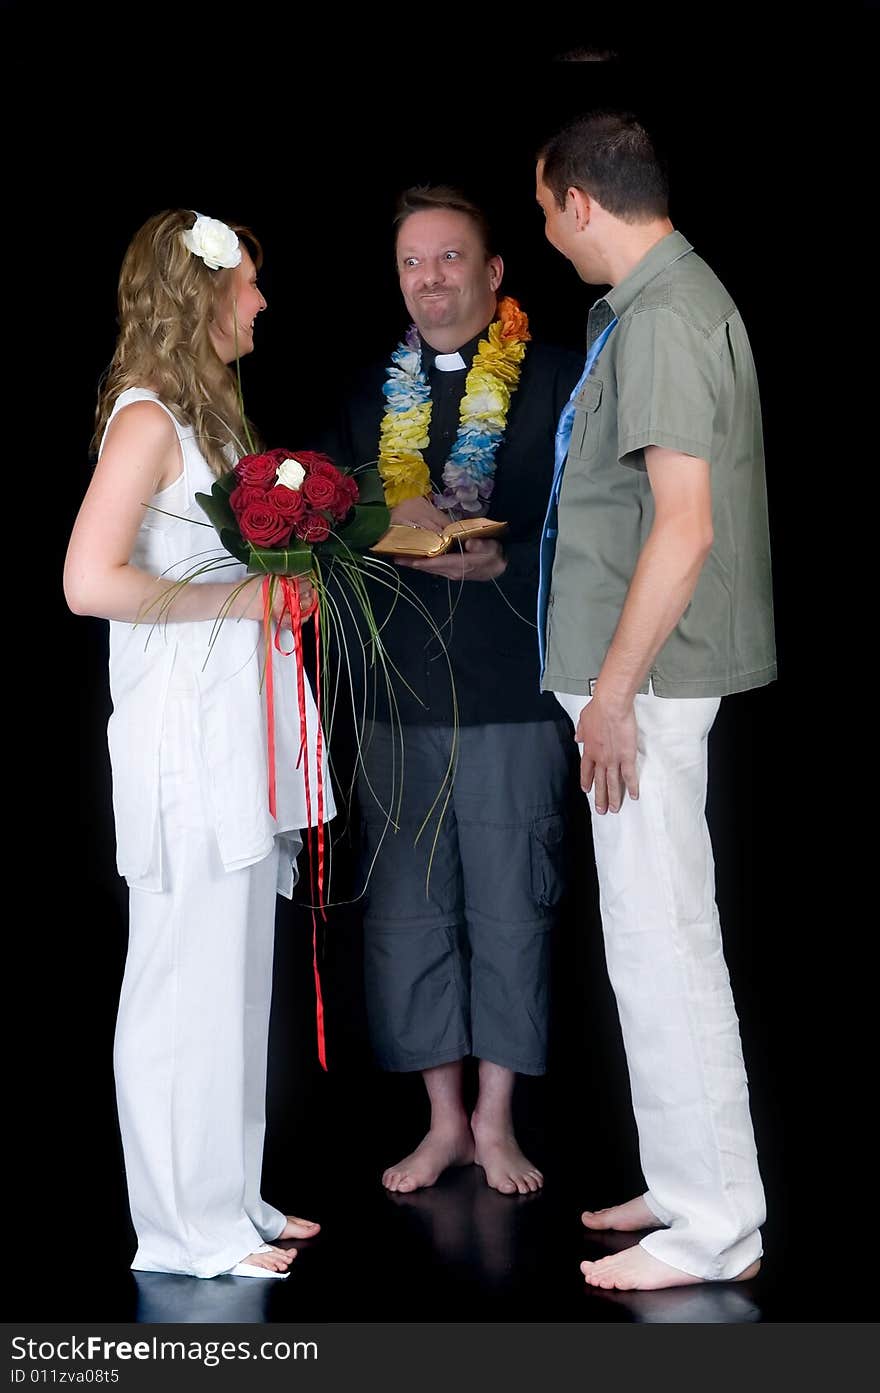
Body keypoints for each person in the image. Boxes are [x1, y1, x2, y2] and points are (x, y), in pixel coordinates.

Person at [64, 210, 333, 1279]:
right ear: (201, 292)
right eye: (249, 286)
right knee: (180, 980)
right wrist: (240, 602)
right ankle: (180, 1231)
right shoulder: (145, 422)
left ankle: (229, 1202)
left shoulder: (206, 422)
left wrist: (282, 589)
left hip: (238, 729)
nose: (262, 305)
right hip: (186, 735)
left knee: (232, 976)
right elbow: (89, 583)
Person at [534, 113, 776, 1289]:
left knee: (664, 944)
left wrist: (614, 694)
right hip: (637, 680)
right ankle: (689, 1187)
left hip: (647, 685)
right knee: (652, 941)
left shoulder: (669, 316)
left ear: (581, 202)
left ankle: (715, 1222)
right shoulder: (657, 307)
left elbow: (684, 524)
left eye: (542, 211)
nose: (544, 231)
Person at [327, 187, 582, 1195]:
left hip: (514, 686)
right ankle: (440, 1120)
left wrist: (503, 561)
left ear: (492, 273)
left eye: (448, 258)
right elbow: (343, 525)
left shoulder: (559, 382)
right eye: (410, 263)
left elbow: (593, 534)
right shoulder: (364, 394)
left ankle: (496, 1119)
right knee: (408, 914)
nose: (429, 278)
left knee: (514, 905)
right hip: (398, 695)